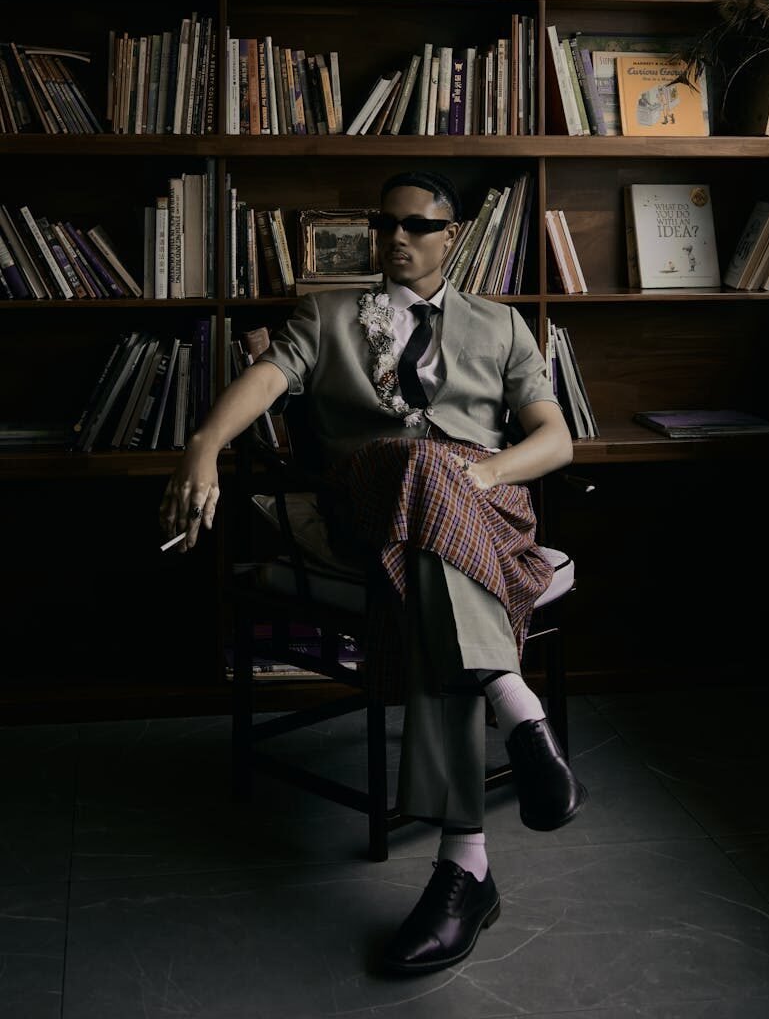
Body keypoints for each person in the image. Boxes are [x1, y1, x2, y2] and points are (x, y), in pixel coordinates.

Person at [159, 169, 587, 975]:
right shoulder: (325, 317)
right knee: (413, 465)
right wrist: (203, 445)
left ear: (450, 236)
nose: (396, 239)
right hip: (369, 508)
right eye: (384, 224)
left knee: (440, 546)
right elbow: (265, 381)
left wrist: (484, 477)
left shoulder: (502, 328)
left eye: (417, 226)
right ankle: (518, 713)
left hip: (482, 513)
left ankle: (469, 871)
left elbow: (554, 440)